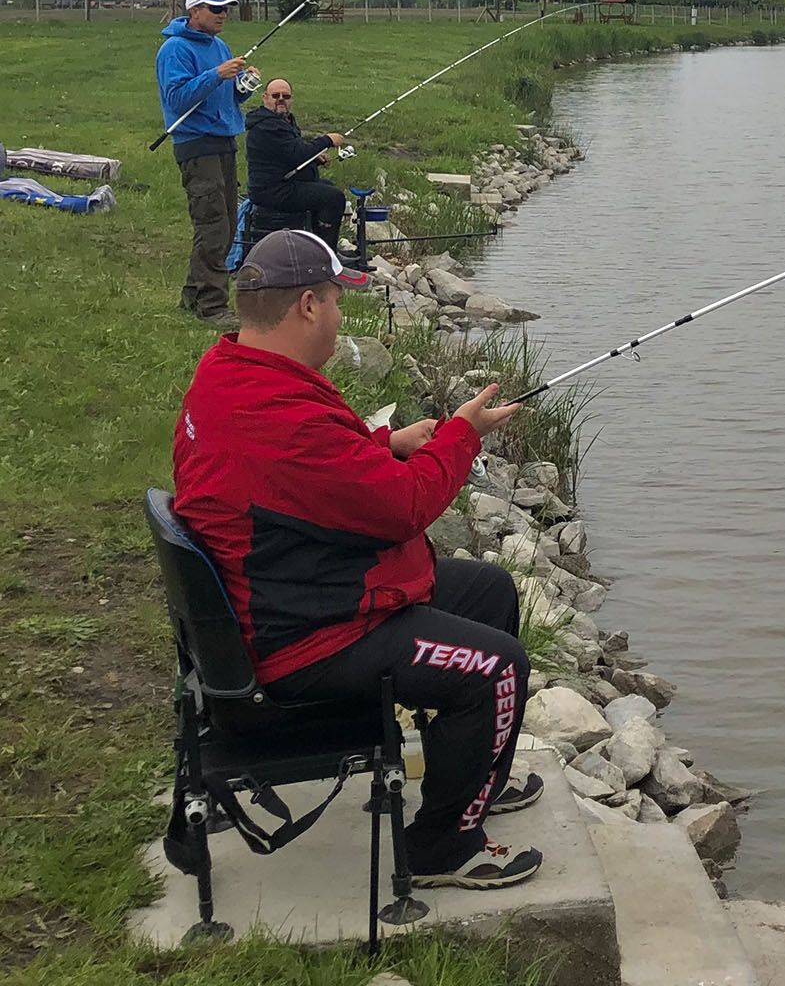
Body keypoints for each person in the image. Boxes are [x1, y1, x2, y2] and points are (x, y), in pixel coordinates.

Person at [172, 230, 545, 889]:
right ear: (308, 306)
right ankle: (440, 851)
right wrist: (458, 436)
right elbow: (404, 508)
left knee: (488, 591)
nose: (342, 315)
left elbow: (307, 472)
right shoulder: (277, 410)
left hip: (294, 593)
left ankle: (469, 780)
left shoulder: (231, 373)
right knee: (497, 668)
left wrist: (388, 442)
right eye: (338, 301)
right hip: (307, 639)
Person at [156, 0, 257, 328]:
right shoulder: (174, 49)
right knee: (212, 225)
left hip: (225, 141)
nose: (223, 15)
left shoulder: (220, 46)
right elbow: (178, 99)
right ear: (194, 11)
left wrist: (242, 86)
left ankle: (192, 296)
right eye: (216, 9)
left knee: (226, 226)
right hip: (196, 145)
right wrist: (216, 74)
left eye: (225, 8)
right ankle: (213, 306)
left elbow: (228, 97)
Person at [245, 78, 349, 249]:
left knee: (327, 186)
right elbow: (299, 153)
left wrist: (315, 158)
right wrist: (327, 140)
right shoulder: (268, 125)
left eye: (285, 96)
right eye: (275, 95)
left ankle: (315, 244)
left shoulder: (283, 121)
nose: (281, 99)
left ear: (291, 100)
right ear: (265, 98)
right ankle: (326, 254)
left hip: (282, 184)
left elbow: (288, 153)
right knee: (334, 198)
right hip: (272, 190)